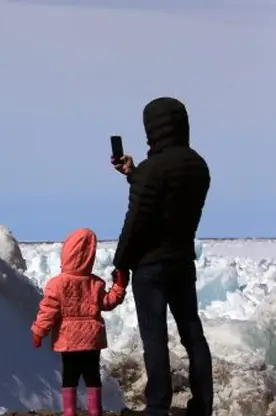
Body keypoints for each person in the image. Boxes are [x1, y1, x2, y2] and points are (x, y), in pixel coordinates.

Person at [111, 96, 214, 416]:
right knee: (192, 333)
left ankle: (157, 406)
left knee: (154, 336)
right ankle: (203, 405)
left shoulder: (152, 170)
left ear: (152, 129)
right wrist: (134, 173)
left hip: (151, 267)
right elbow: (168, 196)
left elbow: (138, 219)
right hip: (182, 261)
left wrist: (120, 264)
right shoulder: (198, 165)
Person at [31, 227, 128, 416]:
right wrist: (119, 286)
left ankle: (69, 411)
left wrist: (39, 331)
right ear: (90, 256)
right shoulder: (96, 283)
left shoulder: (57, 284)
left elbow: (48, 311)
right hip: (92, 339)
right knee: (92, 375)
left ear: (65, 254)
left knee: (70, 375)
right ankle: (94, 410)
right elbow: (108, 303)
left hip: (69, 340)